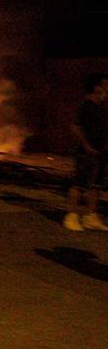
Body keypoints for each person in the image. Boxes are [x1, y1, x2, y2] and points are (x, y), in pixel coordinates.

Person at [66, 73, 108, 232]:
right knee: (80, 184)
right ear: (96, 87)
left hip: (101, 151)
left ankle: (91, 216)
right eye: (105, 85)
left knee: (97, 185)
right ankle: (71, 216)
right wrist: (87, 146)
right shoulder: (85, 105)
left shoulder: (101, 106)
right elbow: (76, 127)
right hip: (86, 152)